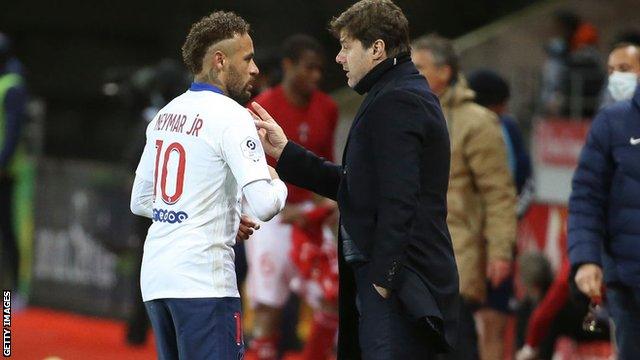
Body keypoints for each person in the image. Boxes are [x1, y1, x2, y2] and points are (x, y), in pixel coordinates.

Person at [251, 1, 460, 358]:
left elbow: (401, 197)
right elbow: (356, 184)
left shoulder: (399, 99)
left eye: (347, 46)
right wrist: (285, 152)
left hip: (398, 283)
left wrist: (384, 277)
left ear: (376, 49)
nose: (339, 58)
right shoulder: (391, 93)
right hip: (387, 278)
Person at [129, 11, 288, 359]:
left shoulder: (166, 113)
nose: (255, 69)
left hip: (158, 279)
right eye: (247, 58)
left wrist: (219, 216)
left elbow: (141, 200)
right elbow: (265, 204)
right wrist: (278, 181)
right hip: (204, 282)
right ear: (220, 61)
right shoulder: (233, 117)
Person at [411, 35, 518, 360]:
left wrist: (500, 250)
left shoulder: (478, 122)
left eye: (420, 68)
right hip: (411, 248)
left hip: (458, 252)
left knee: (454, 341)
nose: (411, 74)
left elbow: (499, 193)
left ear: (444, 72)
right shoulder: (408, 110)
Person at [245, 34, 339, 360]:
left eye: (319, 70)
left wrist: (326, 204)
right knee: (269, 303)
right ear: (288, 65)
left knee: (331, 294)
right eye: (308, 68)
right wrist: (278, 208)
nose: (315, 76)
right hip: (270, 214)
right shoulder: (261, 108)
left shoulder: (328, 108)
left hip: (309, 214)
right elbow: (250, 167)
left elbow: (325, 164)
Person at [568, 43, 640, 360]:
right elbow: (586, 195)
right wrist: (586, 259)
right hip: (626, 277)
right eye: (612, 71)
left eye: (623, 70)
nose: (616, 79)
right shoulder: (611, 122)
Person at [466, 69, 533, 360]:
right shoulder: (453, 126)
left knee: (495, 320)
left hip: (497, 242)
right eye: (500, 104)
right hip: (463, 242)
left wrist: (506, 220)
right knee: (459, 322)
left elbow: (526, 182)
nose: (504, 110)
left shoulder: (509, 128)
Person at [0, 32, 27, 292]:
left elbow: (13, 131)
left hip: (4, 172)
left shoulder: (12, 85)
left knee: (7, 230)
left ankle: (13, 292)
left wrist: (2, 163)